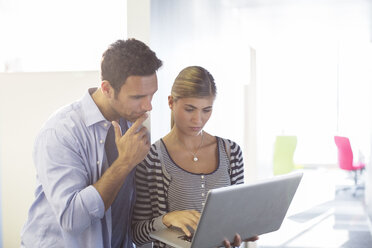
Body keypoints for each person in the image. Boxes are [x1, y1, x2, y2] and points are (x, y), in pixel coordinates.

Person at [21, 38, 162, 248]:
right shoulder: (61, 132)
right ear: (106, 89)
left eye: (152, 95)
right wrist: (124, 163)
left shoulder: (132, 123)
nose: (148, 106)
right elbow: (72, 219)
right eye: (138, 97)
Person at [131, 66, 258, 248]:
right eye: (190, 109)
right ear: (171, 102)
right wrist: (167, 219)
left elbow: (236, 216)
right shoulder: (151, 158)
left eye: (206, 110)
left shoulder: (232, 153)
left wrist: (239, 232)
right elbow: (136, 233)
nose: (198, 120)